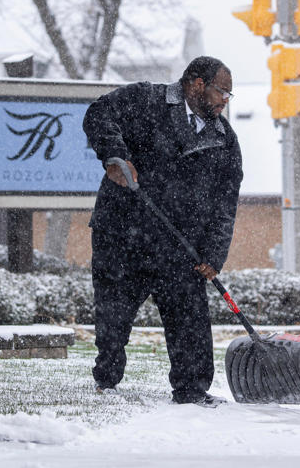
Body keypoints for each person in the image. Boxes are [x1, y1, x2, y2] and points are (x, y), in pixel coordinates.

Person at [83, 56, 243, 408]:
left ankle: (192, 390)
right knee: (114, 314)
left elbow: (225, 202)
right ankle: (106, 380)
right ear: (197, 84)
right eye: (222, 92)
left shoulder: (223, 140)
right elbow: (99, 113)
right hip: (122, 234)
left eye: (228, 95)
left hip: (180, 246)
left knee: (189, 318)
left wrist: (214, 253)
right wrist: (114, 156)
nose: (224, 101)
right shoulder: (145, 100)